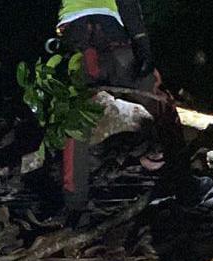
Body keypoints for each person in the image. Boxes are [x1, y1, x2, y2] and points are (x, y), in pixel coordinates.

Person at [54, 0, 168, 216]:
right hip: (107, 32)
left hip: (75, 35)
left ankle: (74, 203)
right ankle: (183, 183)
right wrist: (143, 46)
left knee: (78, 110)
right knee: (157, 98)